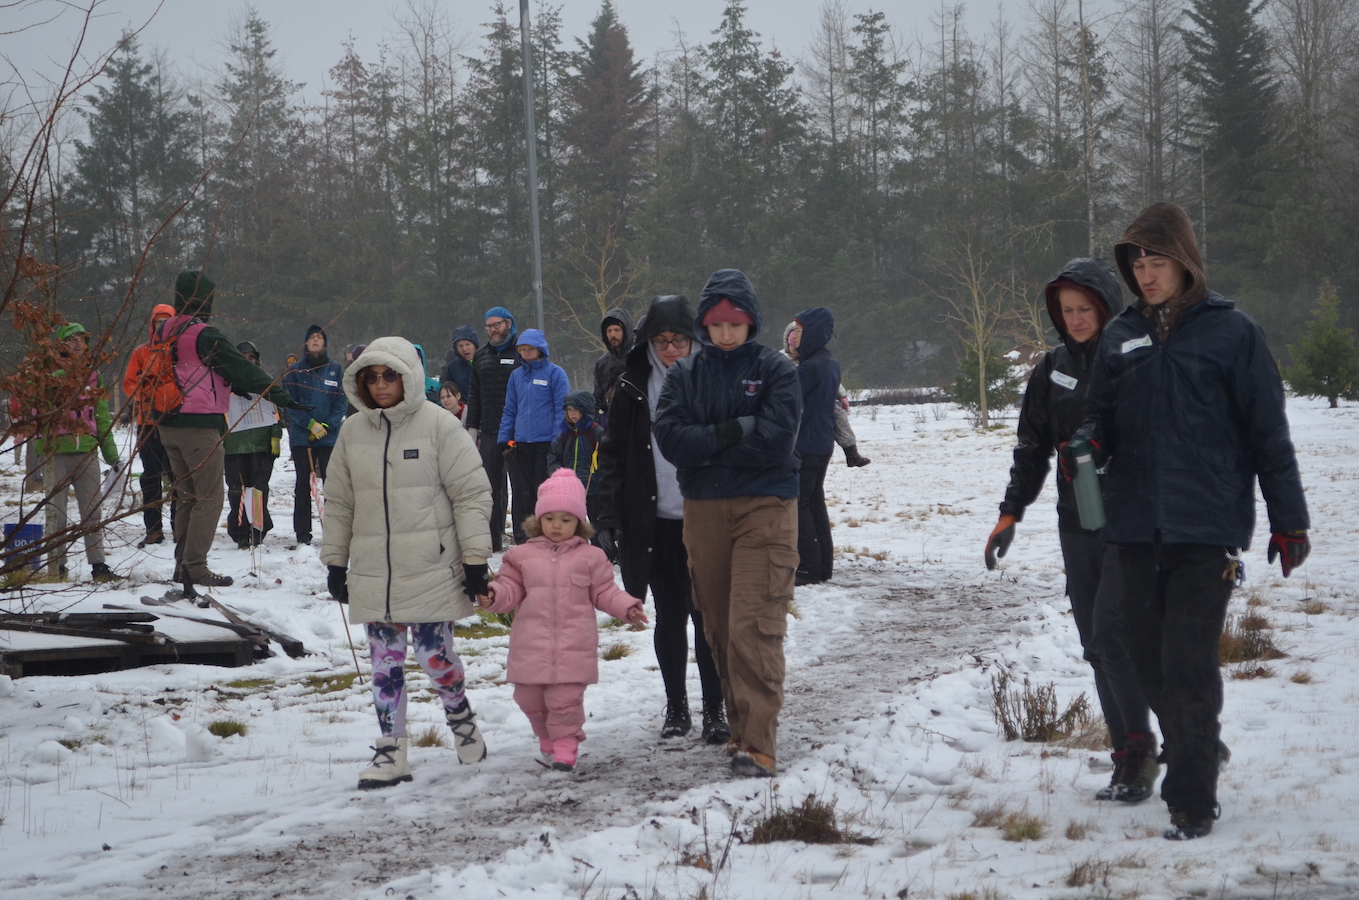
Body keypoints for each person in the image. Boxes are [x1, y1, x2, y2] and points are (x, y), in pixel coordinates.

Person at [1069, 203, 1310, 840]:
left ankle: (1192, 801)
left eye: (1157, 262)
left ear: (1185, 262)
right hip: (1134, 525)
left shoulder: (1233, 334)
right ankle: (1199, 744)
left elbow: (1269, 434)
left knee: (1188, 663)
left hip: (1206, 527)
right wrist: (1090, 444)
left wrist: (1290, 520)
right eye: (1137, 264)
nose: (1146, 275)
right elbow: (1099, 414)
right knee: (1146, 661)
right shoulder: (1121, 335)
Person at [986, 258, 1158, 804]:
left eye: (1085, 309)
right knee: (1095, 643)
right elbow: (1030, 446)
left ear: (1106, 307)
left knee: (1117, 633)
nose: (1076, 318)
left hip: (1131, 519)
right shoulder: (1052, 367)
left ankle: (1150, 747)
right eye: (1067, 310)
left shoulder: (1134, 357)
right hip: (1077, 520)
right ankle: (1130, 749)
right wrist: (1010, 512)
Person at [320, 336, 493, 790]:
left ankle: (459, 715)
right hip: (375, 570)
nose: (380, 385)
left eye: (389, 376)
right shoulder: (352, 432)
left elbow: (472, 494)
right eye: (371, 377)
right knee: (385, 665)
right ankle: (391, 749)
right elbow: (339, 501)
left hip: (432, 568)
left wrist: (475, 560)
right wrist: (336, 562)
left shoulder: (440, 427)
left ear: (408, 377)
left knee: (435, 657)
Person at [653, 269, 801, 778]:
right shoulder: (684, 375)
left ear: (751, 322)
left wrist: (708, 446)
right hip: (704, 512)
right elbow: (672, 440)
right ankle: (739, 732)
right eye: (716, 324)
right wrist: (737, 428)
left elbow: (778, 442)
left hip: (766, 506)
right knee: (717, 625)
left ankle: (759, 742)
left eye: (735, 323)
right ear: (704, 327)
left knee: (752, 625)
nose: (726, 333)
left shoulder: (777, 370)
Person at [595, 295, 729, 743]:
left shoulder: (715, 379)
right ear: (648, 342)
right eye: (662, 340)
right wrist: (607, 517)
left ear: (695, 340)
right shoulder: (633, 386)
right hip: (654, 523)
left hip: (707, 519)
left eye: (679, 340)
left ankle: (716, 709)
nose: (671, 349)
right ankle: (677, 707)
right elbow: (611, 454)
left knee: (708, 618)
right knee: (670, 617)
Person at [479, 469, 648, 771]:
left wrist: (627, 607)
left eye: (566, 520)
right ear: (538, 520)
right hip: (531, 645)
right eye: (550, 518)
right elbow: (510, 589)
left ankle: (566, 746)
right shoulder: (520, 557)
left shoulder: (592, 558)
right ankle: (546, 735)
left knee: (564, 702)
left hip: (573, 646)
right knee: (528, 699)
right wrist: (494, 595)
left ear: (580, 524)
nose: (556, 526)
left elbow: (606, 592)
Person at [156, 270, 300, 590]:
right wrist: (281, 396)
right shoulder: (204, 334)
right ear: (203, 299)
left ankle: (183, 564)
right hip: (199, 426)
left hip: (166, 423)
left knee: (188, 497)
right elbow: (244, 370)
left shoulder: (162, 329)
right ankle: (195, 567)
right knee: (209, 498)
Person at [29, 323, 121, 581]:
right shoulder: (48, 374)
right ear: (60, 344)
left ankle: (99, 566)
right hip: (56, 452)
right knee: (56, 514)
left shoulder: (93, 376)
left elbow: (102, 416)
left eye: (81, 338)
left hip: (87, 452)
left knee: (92, 512)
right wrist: (41, 449)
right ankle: (56, 568)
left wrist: (110, 453)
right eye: (71, 339)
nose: (78, 343)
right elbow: (38, 413)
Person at [497, 329, 569, 545]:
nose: (527, 352)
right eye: (523, 349)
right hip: (520, 443)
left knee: (543, 489)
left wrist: (559, 440)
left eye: (531, 348)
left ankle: (546, 534)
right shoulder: (516, 376)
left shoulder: (555, 374)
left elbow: (561, 409)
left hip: (546, 443)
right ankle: (522, 535)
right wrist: (505, 439)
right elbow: (510, 409)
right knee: (521, 491)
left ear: (541, 350)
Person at [788, 308, 840, 585]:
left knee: (801, 506)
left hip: (805, 445)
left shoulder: (810, 368)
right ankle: (823, 567)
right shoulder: (829, 362)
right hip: (822, 444)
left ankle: (808, 567)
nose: (794, 336)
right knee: (815, 503)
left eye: (798, 330)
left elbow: (785, 395)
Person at [283, 325, 346, 546]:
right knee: (302, 485)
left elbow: (341, 401)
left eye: (319, 337)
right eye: (311, 337)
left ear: (325, 343)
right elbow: (289, 403)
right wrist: (309, 424)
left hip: (328, 438)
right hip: (302, 438)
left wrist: (327, 425)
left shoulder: (335, 369)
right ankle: (302, 534)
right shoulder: (294, 372)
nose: (315, 340)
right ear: (305, 344)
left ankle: (335, 530)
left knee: (332, 484)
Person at [122, 303, 177, 547]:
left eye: (166, 321)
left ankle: (180, 526)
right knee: (151, 477)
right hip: (147, 422)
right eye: (158, 322)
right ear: (151, 324)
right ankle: (153, 528)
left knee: (177, 477)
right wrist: (147, 394)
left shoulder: (179, 351)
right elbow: (129, 384)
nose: (161, 326)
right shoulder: (141, 352)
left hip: (174, 421)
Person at [466, 307, 521, 552]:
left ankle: (523, 536)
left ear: (508, 323)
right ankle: (493, 537)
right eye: (488, 326)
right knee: (490, 487)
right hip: (489, 430)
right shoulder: (481, 355)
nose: (492, 330)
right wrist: (472, 428)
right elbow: (474, 394)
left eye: (496, 324)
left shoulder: (523, 351)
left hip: (518, 432)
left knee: (520, 485)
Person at [782, 321, 869, 468]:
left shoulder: (814, 362)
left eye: (799, 346)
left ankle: (851, 450)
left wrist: (841, 396)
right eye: (792, 345)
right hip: (794, 406)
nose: (796, 349)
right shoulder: (780, 359)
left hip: (819, 403)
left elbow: (831, 381)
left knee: (839, 415)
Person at [224, 342, 282, 549]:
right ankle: (240, 531)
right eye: (243, 357)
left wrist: (276, 436)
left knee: (258, 491)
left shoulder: (264, 381)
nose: (248, 361)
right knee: (236, 491)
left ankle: (257, 529)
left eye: (252, 357)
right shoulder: (224, 383)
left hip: (261, 444)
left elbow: (277, 411)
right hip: (233, 446)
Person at [546, 389, 603, 509]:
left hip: (593, 489)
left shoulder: (597, 432)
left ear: (584, 410)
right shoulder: (566, 433)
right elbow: (553, 456)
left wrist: (599, 478)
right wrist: (558, 474)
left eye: (575, 410)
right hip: (570, 489)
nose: (572, 414)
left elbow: (606, 459)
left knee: (596, 523)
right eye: (569, 410)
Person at [592, 307, 634, 416]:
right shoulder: (602, 363)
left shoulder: (639, 358)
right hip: (610, 423)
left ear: (626, 331)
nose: (613, 335)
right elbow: (597, 398)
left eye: (617, 330)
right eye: (609, 331)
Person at [441, 326, 479, 398]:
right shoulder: (452, 368)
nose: (464, 349)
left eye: (467, 344)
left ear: (475, 345)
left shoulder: (486, 362)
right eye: (460, 346)